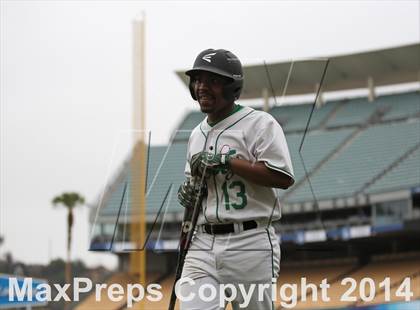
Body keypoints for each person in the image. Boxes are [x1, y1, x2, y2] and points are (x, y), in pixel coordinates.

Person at [177, 48, 295, 310]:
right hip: (203, 242)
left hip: (250, 241)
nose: (202, 87)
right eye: (198, 80)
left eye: (213, 81)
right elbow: (196, 189)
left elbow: (282, 176)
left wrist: (226, 161)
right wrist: (190, 191)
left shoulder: (260, 123)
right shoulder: (196, 134)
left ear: (233, 87)